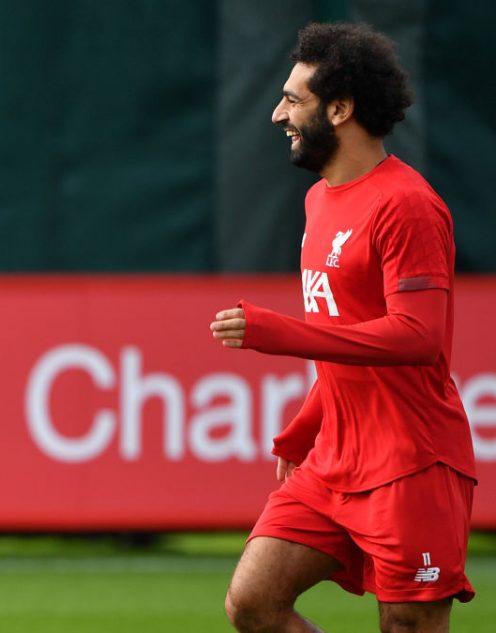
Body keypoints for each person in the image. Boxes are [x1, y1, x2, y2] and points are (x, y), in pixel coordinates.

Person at [210, 23, 477, 633]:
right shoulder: (319, 199)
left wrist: (280, 333)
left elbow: (418, 337)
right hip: (334, 461)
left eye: (293, 100)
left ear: (340, 107)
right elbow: (345, 338)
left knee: (406, 625)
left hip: (412, 463)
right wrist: (304, 426)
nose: (278, 113)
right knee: (252, 603)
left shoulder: (407, 205)